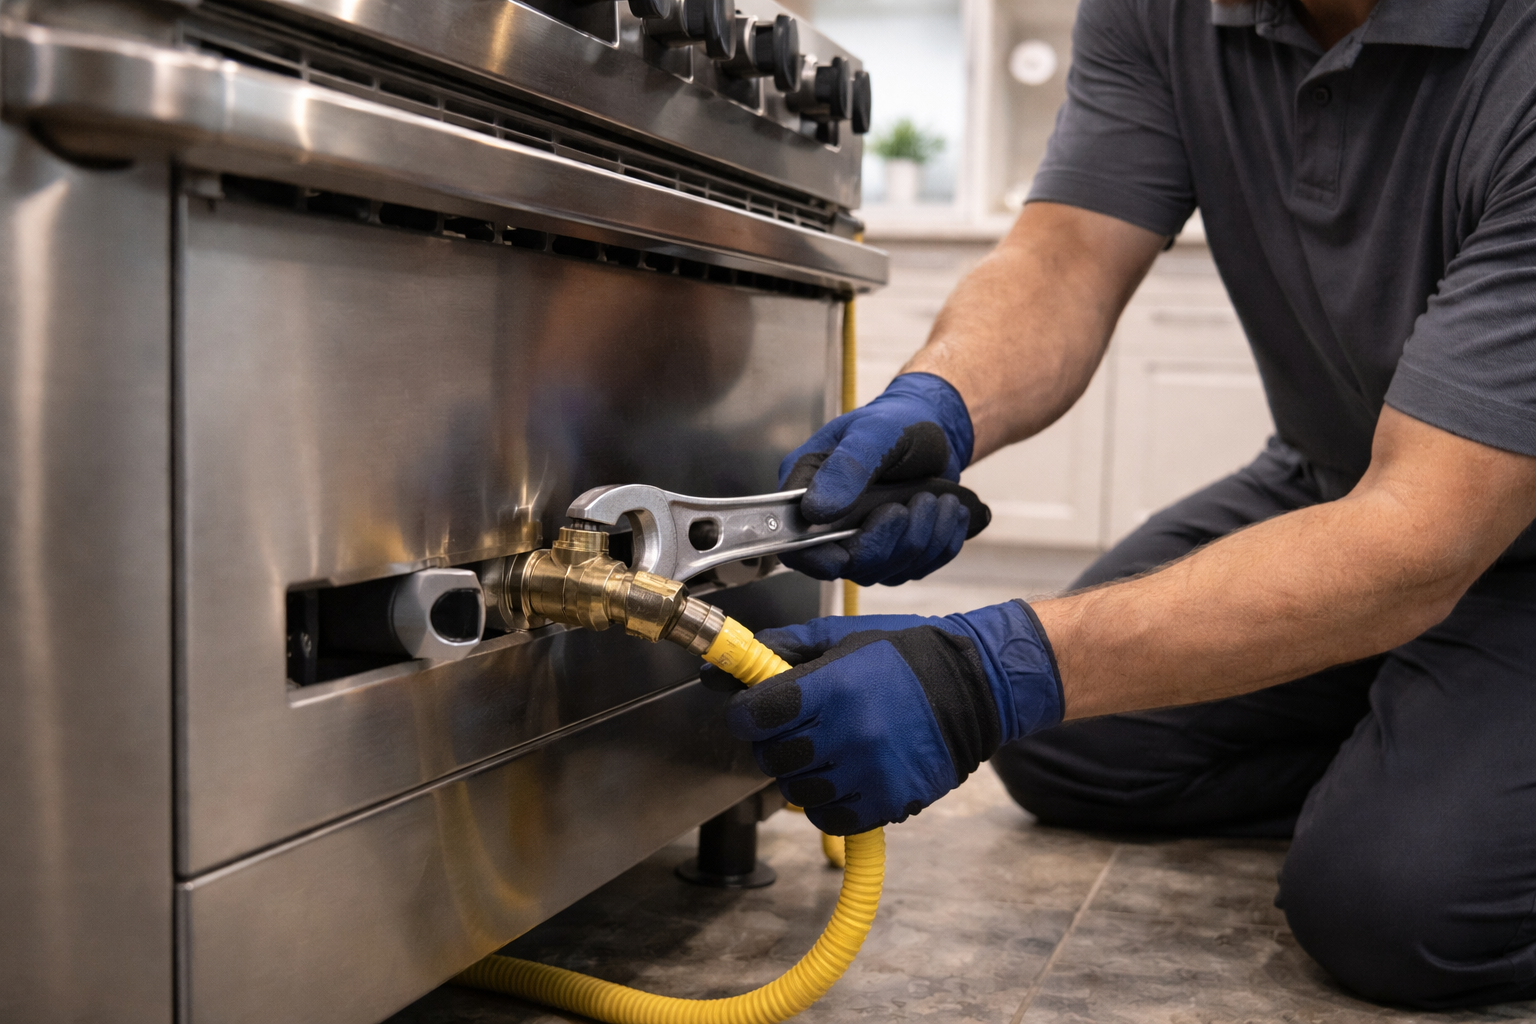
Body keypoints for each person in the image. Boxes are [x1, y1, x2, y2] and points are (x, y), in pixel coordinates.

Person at [704, 0, 1536, 1008]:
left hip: (1482, 526)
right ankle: (1409, 713)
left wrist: (981, 672)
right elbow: (1066, 255)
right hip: (1341, 480)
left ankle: (1426, 761)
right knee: (1069, 743)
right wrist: (937, 405)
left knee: (1398, 906)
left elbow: (1424, 531)